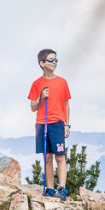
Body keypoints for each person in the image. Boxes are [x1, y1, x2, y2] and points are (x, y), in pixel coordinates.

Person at [28, 48, 72, 198]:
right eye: (51, 60)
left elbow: (66, 105)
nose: (54, 62)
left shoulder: (62, 82)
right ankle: (50, 188)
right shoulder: (37, 84)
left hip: (57, 123)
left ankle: (62, 188)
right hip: (42, 123)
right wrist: (41, 97)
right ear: (42, 63)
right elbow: (33, 107)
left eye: (56, 60)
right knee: (47, 157)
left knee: (60, 156)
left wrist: (66, 124)